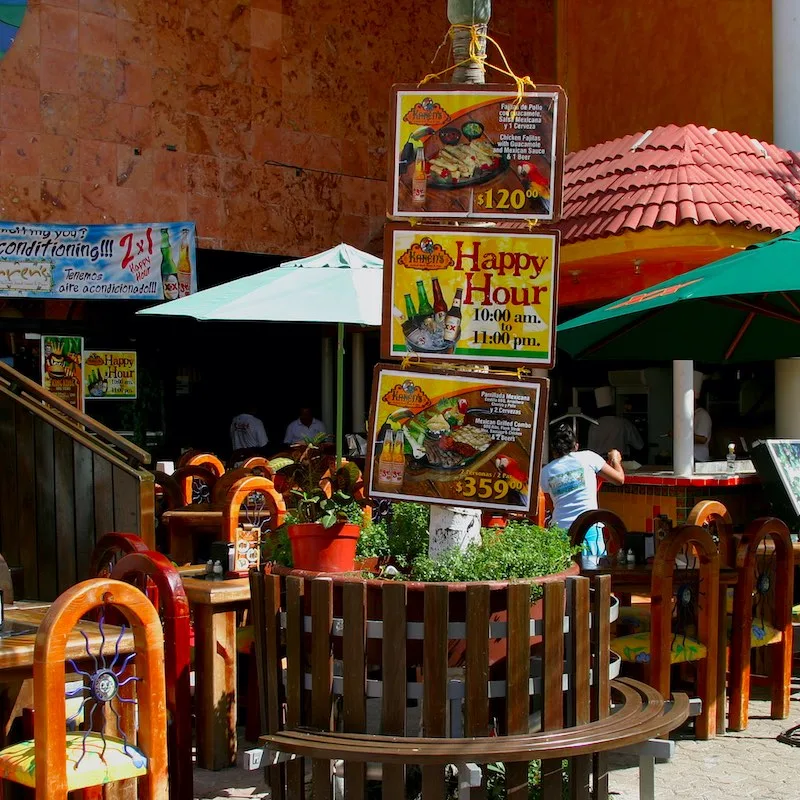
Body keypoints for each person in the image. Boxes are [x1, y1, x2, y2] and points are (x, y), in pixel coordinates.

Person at [540, 425, 626, 553]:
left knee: (564, 571)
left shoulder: (545, 472)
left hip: (559, 533)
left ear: (553, 450)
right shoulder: (589, 457)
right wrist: (615, 459)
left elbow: (552, 506)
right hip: (588, 529)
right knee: (591, 569)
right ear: (576, 446)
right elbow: (619, 479)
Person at [587, 386, 644, 458]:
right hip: (621, 461)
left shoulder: (594, 425)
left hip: (601, 463)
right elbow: (639, 445)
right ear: (613, 407)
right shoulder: (624, 423)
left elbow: (591, 449)